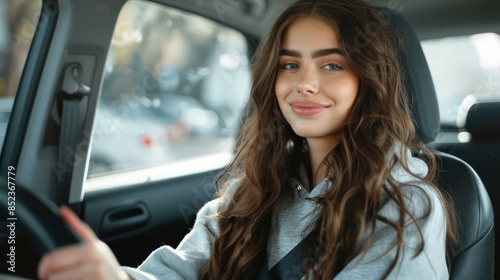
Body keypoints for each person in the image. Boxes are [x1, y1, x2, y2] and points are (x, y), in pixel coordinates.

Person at [37, 0, 458, 279]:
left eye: (332, 66)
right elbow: (177, 273)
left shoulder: (407, 205)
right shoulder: (250, 192)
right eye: (289, 65)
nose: (304, 85)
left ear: (370, 82)